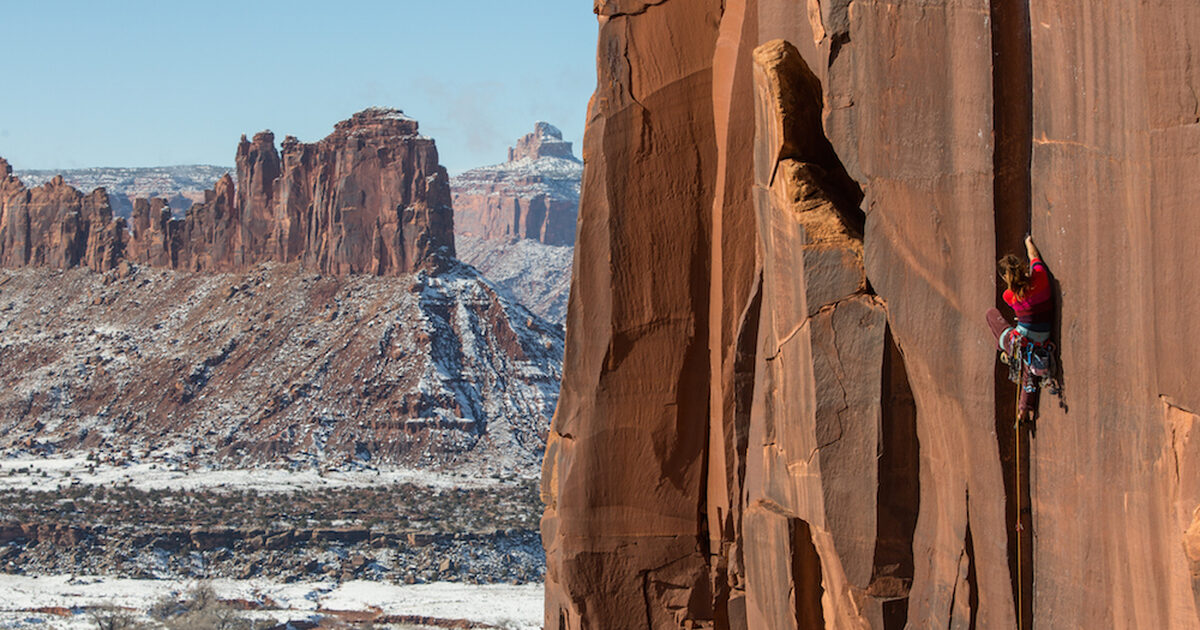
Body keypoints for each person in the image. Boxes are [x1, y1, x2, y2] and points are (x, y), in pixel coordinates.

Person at [986, 235, 1053, 422]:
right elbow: (1034, 257)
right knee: (1027, 366)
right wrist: (1028, 242)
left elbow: (1019, 299)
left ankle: (1004, 351)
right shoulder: (1040, 277)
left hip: (1022, 342)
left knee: (992, 314)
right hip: (1043, 338)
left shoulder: (1010, 295)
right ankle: (1023, 408)